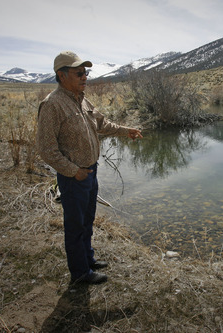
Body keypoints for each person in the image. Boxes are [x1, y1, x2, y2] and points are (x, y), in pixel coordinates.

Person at [36, 51, 143, 285]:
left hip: (90, 172)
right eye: (79, 73)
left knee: (87, 220)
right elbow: (46, 148)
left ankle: (88, 259)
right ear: (61, 76)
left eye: (86, 72)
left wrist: (127, 131)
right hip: (74, 177)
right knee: (75, 226)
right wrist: (73, 171)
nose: (85, 77)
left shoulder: (82, 99)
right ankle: (80, 273)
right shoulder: (52, 104)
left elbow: (103, 123)